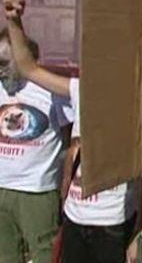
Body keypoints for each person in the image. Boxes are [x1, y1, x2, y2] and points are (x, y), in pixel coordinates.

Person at [3, 0, 140, 263]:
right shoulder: (81, 90)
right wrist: (13, 21)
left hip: (112, 223)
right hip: (76, 219)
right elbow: (28, 68)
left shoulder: (135, 99)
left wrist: (139, 233)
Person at [0, 27, 72, 263]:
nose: (1, 69)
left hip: (37, 191)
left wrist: (66, 183)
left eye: (5, 61)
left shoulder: (49, 92)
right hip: (2, 189)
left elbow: (74, 137)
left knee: (44, 255)